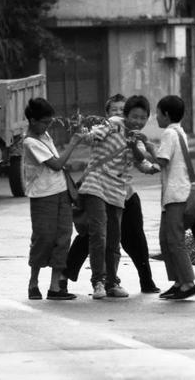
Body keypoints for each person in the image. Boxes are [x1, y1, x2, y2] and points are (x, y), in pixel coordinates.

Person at [63, 94, 160, 293]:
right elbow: (94, 136)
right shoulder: (113, 124)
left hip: (120, 191)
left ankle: (118, 281)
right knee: (97, 235)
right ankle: (94, 280)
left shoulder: (137, 138)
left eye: (142, 118)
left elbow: (141, 161)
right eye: (133, 116)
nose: (137, 121)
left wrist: (153, 166)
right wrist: (84, 133)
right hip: (96, 185)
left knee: (120, 239)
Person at [23, 97, 82, 301]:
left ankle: (55, 286)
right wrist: (73, 143)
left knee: (63, 238)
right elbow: (56, 165)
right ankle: (33, 282)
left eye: (49, 122)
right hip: (42, 196)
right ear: (32, 120)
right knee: (43, 238)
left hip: (61, 192)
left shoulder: (44, 135)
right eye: (44, 122)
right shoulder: (30, 142)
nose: (47, 126)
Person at [147, 95, 195, 300]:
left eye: (157, 113)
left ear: (166, 114)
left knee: (174, 241)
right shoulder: (178, 131)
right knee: (165, 239)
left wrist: (146, 147)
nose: (156, 117)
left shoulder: (169, 133)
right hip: (175, 194)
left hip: (177, 195)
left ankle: (188, 282)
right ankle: (178, 281)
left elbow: (161, 160)